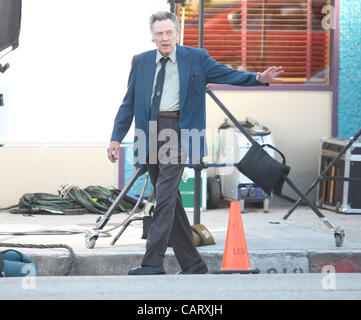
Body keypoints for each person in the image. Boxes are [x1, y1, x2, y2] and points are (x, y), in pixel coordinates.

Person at [107, 11, 283, 275]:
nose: (164, 38)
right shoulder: (141, 61)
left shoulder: (196, 58)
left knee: (164, 197)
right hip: (149, 133)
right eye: (159, 34)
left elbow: (228, 74)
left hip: (181, 132)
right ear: (152, 36)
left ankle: (152, 263)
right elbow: (128, 102)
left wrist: (257, 78)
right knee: (171, 199)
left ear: (176, 33)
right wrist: (115, 137)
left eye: (169, 33)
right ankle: (193, 263)